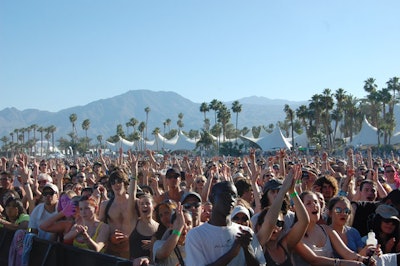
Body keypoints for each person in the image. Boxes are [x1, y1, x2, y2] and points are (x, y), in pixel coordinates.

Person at [185, 181, 266, 266]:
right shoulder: (196, 235)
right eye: (226, 195)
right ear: (212, 198)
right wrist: (231, 254)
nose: (231, 199)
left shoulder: (245, 232)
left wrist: (247, 248)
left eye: (234, 196)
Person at [293, 190, 374, 266]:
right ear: (300, 209)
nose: (315, 205)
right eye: (308, 203)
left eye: (316, 202)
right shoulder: (295, 234)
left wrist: (363, 259)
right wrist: (349, 264)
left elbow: (346, 253)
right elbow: (314, 260)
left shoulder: (326, 230)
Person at [256, 164, 308, 266]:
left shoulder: (285, 245)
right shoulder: (258, 245)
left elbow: (304, 221)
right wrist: (283, 190)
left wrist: (292, 192)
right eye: (273, 192)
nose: (275, 227)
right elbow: (270, 223)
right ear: (258, 227)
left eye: (279, 223)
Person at [98, 167, 131, 259]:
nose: (116, 185)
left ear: (125, 183)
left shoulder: (136, 203)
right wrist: (109, 237)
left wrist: (129, 237)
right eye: (113, 182)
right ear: (110, 186)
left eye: (119, 181)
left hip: (131, 251)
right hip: (111, 250)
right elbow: (99, 227)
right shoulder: (105, 205)